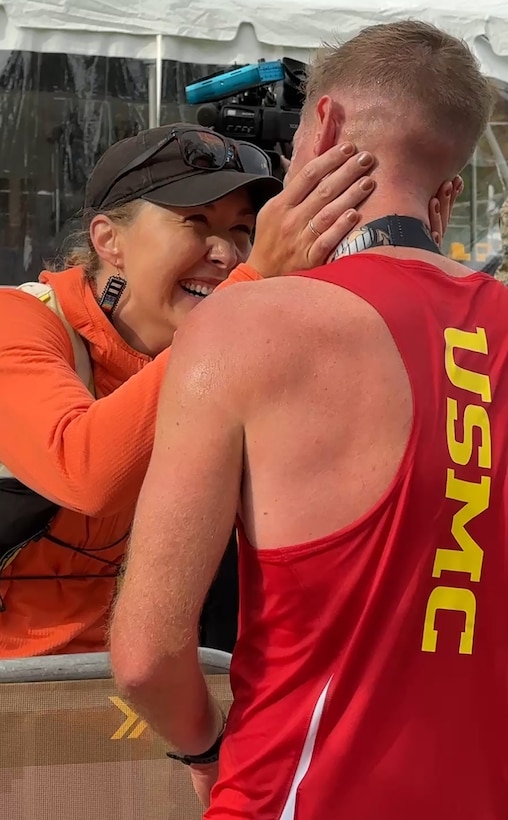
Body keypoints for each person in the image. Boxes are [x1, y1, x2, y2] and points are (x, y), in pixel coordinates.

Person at [111, 22, 508, 820]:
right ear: (451, 182)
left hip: (298, 791)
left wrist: (202, 749)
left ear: (320, 126)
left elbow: (147, 654)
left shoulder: (248, 325)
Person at [0, 122, 396, 659]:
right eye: (196, 222)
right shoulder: (20, 320)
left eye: (241, 230)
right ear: (107, 240)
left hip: (139, 688)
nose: (226, 253)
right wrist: (251, 287)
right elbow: (85, 470)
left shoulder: (232, 352)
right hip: (19, 687)